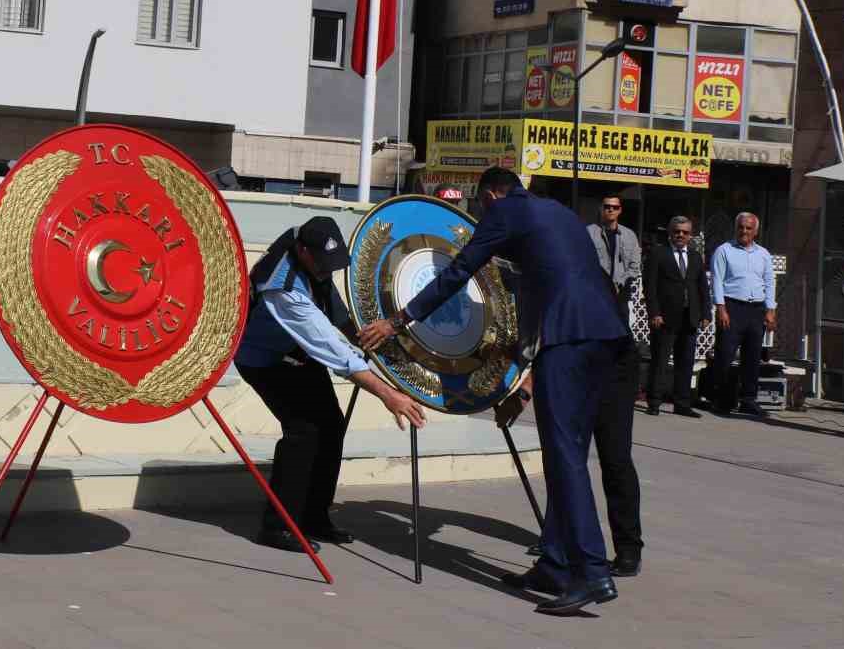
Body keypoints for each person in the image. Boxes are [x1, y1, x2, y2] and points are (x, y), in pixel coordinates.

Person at [361, 167, 629, 616]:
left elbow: (459, 271)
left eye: (482, 206)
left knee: (564, 457)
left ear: (489, 196)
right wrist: (521, 377)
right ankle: (556, 563)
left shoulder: (505, 211)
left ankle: (592, 571)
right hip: (606, 337)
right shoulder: (558, 213)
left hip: (569, 338)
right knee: (569, 453)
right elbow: (543, 284)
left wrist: (398, 320)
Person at [234, 217, 425, 553]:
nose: (327, 270)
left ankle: (314, 517)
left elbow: (333, 306)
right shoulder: (283, 289)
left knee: (332, 425)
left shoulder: (308, 249)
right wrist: (387, 394)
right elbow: (333, 350)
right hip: (263, 358)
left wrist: (377, 347)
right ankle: (279, 526)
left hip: (295, 352)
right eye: (322, 264)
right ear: (304, 253)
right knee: (303, 431)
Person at [584, 194, 643, 577]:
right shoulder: (588, 237)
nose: (610, 212)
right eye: (605, 206)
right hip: (582, 364)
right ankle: (559, 534)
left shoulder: (629, 240)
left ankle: (628, 548)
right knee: (567, 459)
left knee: (616, 460)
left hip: (616, 366)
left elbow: (634, 269)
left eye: (616, 207)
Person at [709, 212, 775, 417]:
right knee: (725, 355)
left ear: (755, 231)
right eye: (741, 227)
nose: (744, 231)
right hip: (732, 307)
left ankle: (748, 399)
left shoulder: (763, 254)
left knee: (753, 356)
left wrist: (771, 309)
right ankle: (721, 400)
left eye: (748, 228)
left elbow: (769, 281)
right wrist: (721, 308)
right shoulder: (724, 250)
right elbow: (717, 280)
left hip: (756, 310)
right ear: (736, 228)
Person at [643, 216, 709, 418]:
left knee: (686, 361)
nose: (681, 235)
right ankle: (654, 402)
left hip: (689, 317)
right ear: (670, 233)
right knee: (660, 361)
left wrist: (706, 313)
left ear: (690, 235)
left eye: (685, 232)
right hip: (664, 317)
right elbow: (650, 286)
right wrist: (654, 312)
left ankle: (682, 403)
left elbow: (702, 288)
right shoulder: (658, 253)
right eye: (677, 231)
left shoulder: (696, 256)